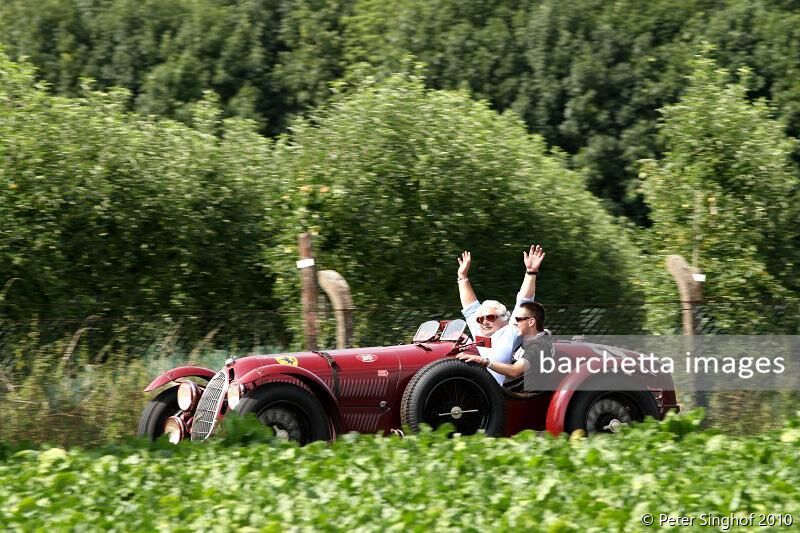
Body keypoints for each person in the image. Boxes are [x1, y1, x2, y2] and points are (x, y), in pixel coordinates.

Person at [456, 245, 545, 385]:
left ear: (504, 319)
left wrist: (531, 272)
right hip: (472, 388)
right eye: (481, 319)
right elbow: (470, 306)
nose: (484, 321)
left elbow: (524, 301)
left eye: (490, 317)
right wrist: (462, 277)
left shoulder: (510, 331)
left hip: (496, 393)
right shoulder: (479, 328)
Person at [459, 301, 554, 392]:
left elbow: (514, 371)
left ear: (531, 322)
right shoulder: (531, 340)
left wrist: (484, 361)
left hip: (516, 396)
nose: (515, 323)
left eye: (519, 319)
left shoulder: (539, 345)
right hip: (507, 391)